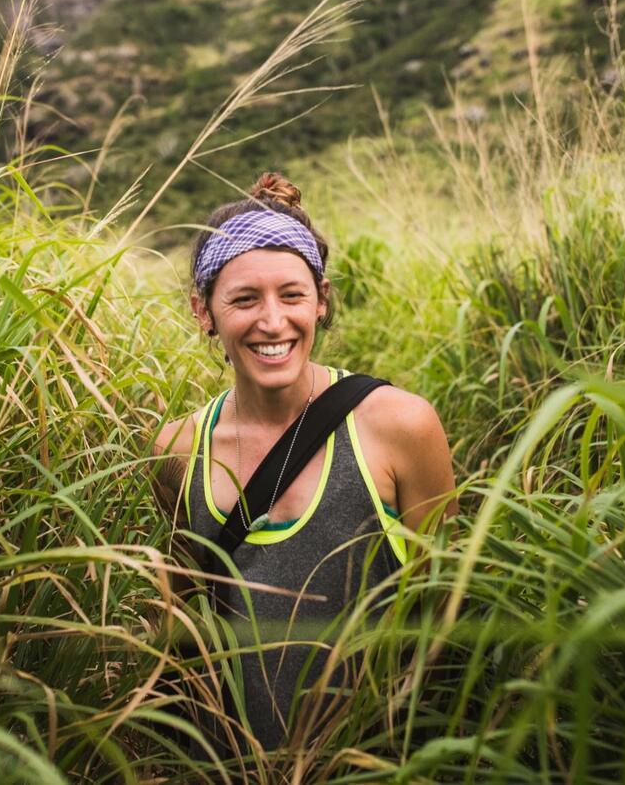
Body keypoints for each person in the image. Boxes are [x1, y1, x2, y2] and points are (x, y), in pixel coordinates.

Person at [150, 171, 457, 760]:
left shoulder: (399, 427)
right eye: (244, 299)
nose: (272, 322)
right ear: (203, 311)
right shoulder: (177, 449)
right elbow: (188, 631)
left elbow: (445, 619)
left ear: (320, 299)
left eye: (291, 295)